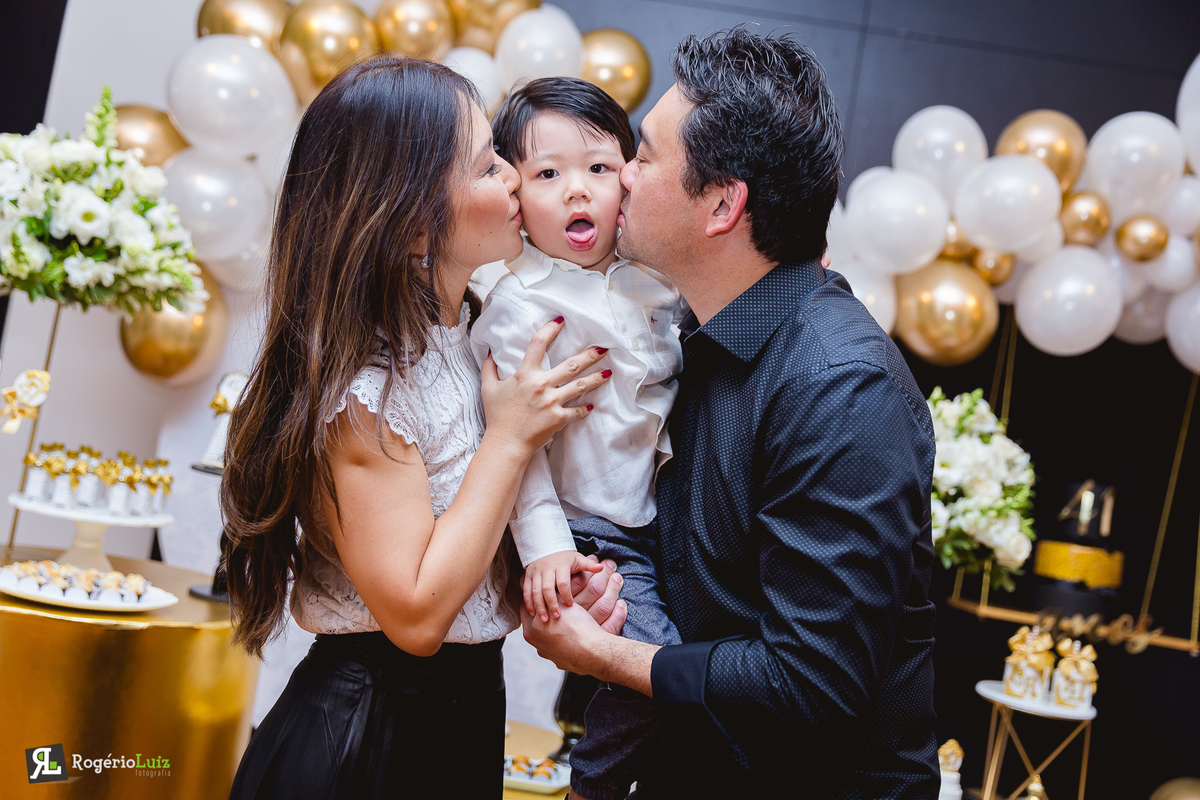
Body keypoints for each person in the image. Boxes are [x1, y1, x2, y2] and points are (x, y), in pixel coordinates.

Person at [522, 28, 941, 799]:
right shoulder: (687, 334)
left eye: (645, 156)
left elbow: (811, 683)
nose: (622, 174)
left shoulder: (840, 388)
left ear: (721, 205)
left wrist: (604, 656)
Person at [218, 56, 625, 799]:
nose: (515, 178)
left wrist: (557, 570)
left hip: (463, 723)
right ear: (412, 224)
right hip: (369, 742)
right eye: (487, 166)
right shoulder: (365, 389)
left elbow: (477, 545)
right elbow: (415, 613)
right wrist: (509, 439)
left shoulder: (475, 334)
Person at [470, 77, 686, 800]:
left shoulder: (653, 281)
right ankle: (589, 786)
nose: (577, 191)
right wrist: (546, 548)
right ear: (515, 196)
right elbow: (515, 445)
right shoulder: (519, 306)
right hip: (585, 529)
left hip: (654, 524)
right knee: (661, 670)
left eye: (598, 167)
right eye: (547, 174)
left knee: (682, 669)